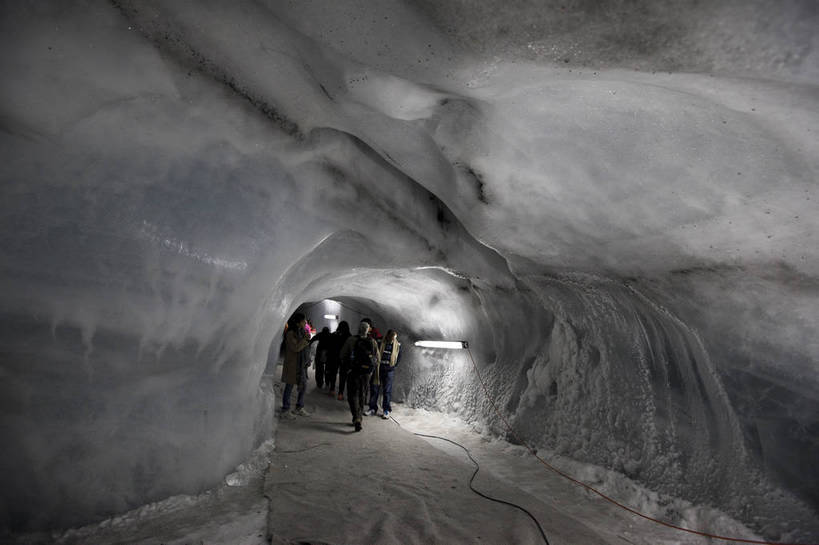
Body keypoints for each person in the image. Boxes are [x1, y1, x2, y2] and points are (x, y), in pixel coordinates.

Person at [339, 320, 380, 431]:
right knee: (362, 394)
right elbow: (377, 359)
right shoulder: (373, 341)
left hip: (354, 371)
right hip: (366, 373)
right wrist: (371, 370)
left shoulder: (351, 340)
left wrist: (347, 366)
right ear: (368, 330)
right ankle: (359, 417)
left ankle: (356, 417)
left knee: (353, 394)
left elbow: (342, 355)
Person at [280, 313, 312, 418]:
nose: (306, 323)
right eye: (304, 321)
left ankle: (299, 407)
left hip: (301, 364)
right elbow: (295, 348)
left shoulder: (302, 332)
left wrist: (307, 358)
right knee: (289, 386)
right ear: (298, 322)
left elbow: (305, 348)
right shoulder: (290, 333)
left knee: (303, 386)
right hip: (293, 364)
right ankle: (285, 409)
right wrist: (305, 340)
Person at [367, 329, 401, 419]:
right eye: (391, 338)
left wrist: (393, 366)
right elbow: (375, 353)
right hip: (378, 369)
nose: (392, 340)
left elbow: (399, 356)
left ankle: (386, 410)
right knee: (375, 389)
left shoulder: (397, 345)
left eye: (393, 338)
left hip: (389, 371)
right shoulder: (380, 342)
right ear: (387, 336)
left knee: (387, 391)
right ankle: (372, 408)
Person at [331, 321, 351, 399]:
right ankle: (340, 394)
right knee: (343, 376)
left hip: (335, 357)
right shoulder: (349, 336)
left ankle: (332, 389)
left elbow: (331, 346)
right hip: (344, 358)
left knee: (333, 373)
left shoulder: (335, 334)